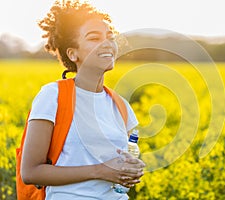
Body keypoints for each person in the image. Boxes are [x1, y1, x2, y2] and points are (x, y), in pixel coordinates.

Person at [20, 1, 145, 199]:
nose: (106, 43)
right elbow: (31, 172)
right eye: (94, 38)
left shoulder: (120, 105)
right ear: (73, 53)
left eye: (110, 37)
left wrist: (132, 169)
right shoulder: (53, 96)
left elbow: (120, 164)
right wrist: (100, 171)